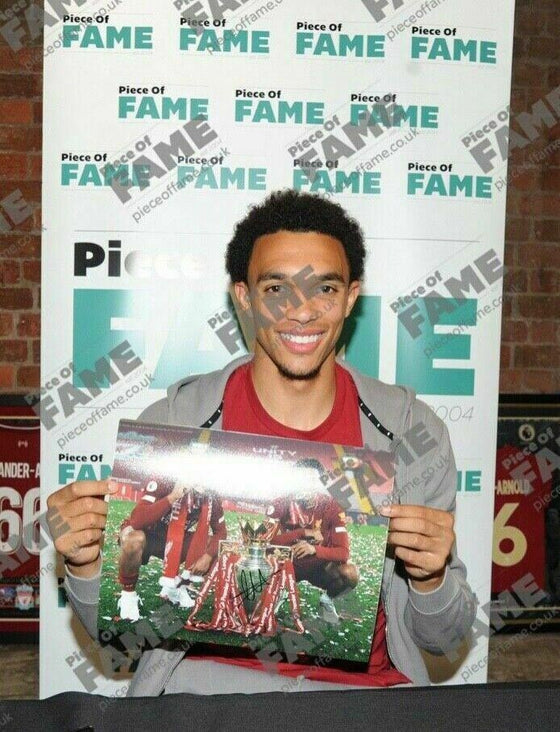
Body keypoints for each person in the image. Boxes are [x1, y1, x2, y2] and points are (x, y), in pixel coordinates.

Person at [47, 189, 476, 695]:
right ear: (244, 296)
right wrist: (85, 563)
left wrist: (430, 579)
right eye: (276, 289)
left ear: (351, 298)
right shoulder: (175, 426)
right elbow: (120, 633)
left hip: (367, 699)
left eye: (325, 289)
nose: (301, 312)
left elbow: (445, 637)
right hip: (207, 693)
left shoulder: (409, 433)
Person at [116, 477, 226, 620]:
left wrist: (208, 556)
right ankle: (128, 595)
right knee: (133, 539)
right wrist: (172, 497)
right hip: (148, 534)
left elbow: (221, 532)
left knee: (212, 546)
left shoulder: (211, 495)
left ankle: (177, 586)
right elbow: (137, 520)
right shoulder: (165, 480)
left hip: (174, 539)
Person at [267, 457, 358, 625]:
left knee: (350, 574)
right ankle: (280, 591)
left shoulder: (332, 505)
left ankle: (327, 600)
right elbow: (267, 542)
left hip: (319, 568)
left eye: (311, 480)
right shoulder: (281, 502)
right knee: (264, 569)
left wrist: (315, 549)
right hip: (288, 565)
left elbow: (343, 552)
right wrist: (302, 532)